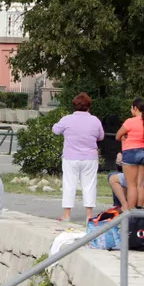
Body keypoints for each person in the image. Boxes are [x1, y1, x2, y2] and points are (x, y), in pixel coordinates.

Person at [52, 92, 104, 222]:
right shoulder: (95, 120)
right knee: (90, 185)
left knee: (69, 184)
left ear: (74, 105)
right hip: (90, 158)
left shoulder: (67, 119)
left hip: (71, 157)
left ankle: (67, 214)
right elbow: (101, 136)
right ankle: (89, 215)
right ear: (89, 106)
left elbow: (56, 130)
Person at [115, 98, 144, 209]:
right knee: (140, 184)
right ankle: (139, 209)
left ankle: (130, 211)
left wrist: (125, 136)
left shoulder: (130, 121)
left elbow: (118, 136)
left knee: (131, 185)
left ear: (135, 108)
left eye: (131, 108)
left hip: (131, 153)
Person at [109, 136, 144, 210]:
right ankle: (121, 205)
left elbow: (133, 162)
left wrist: (122, 157)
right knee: (118, 175)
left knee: (113, 178)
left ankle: (124, 205)